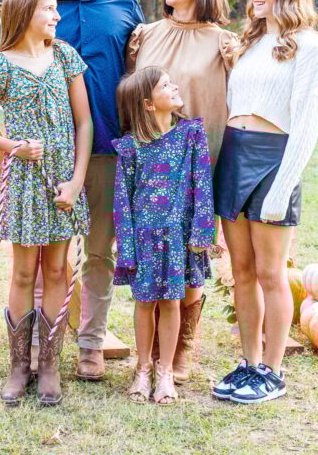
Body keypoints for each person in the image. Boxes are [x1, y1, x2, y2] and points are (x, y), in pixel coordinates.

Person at [0, 0, 92, 407]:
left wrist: (76, 182)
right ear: (24, 14)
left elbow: (84, 123)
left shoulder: (65, 57)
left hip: (62, 178)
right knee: (23, 273)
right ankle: (19, 365)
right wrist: (13, 146)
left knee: (57, 271)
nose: (57, 16)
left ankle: (50, 364)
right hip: (24, 180)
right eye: (49, 9)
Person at [211, 0, 318, 405]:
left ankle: (273, 372)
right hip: (234, 156)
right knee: (241, 273)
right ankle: (249, 363)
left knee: (270, 273)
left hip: (273, 161)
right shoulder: (252, 42)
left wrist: (283, 186)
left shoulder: (309, 45)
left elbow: (308, 123)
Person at [125, 0, 236, 383]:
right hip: (152, 165)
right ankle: (150, 351)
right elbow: (132, 97)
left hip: (200, 163)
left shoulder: (222, 42)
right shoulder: (145, 35)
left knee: (191, 253)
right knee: (153, 254)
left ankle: (183, 346)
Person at [49, 0, 145, 381]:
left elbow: (144, 71)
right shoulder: (40, 7)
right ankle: (40, 342)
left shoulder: (125, 7)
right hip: (50, 152)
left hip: (108, 146)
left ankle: (90, 343)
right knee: (48, 250)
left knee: (100, 252)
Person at [111, 67, 216, 405]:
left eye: (172, 81)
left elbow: (203, 183)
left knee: (172, 301)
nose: (174, 87)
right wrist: (126, 246)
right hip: (144, 237)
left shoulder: (191, 135)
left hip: (179, 236)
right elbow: (122, 201)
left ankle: (166, 370)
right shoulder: (130, 147)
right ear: (147, 103)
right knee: (144, 303)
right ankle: (143, 368)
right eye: (165, 85)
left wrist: (202, 231)